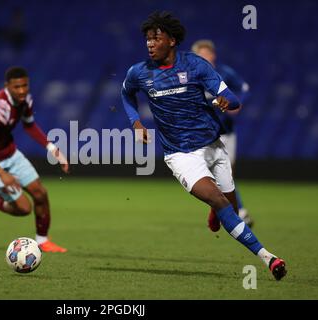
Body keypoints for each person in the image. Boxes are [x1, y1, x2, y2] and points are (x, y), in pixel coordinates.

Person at [121, 11, 286, 280]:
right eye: (147, 39)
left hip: (213, 145)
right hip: (180, 154)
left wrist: (226, 101)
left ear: (172, 40)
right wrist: (136, 123)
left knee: (227, 208)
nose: (150, 44)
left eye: (156, 38)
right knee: (220, 201)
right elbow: (126, 95)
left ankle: (216, 211)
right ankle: (268, 258)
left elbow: (230, 97)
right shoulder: (139, 73)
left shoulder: (195, 65)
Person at [0, 66, 69, 253]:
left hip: (9, 153)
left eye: (25, 86)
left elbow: (29, 125)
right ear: (7, 87)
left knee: (40, 193)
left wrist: (52, 148)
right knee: (23, 208)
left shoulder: (26, 100)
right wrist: (2, 174)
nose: (21, 91)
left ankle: (42, 241)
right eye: (16, 87)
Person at [191, 39, 253, 228]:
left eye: (208, 54)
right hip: (204, 134)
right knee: (212, 174)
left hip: (226, 133)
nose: (205, 57)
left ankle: (229, 210)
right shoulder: (192, 76)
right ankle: (236, 211)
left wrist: (238, 104)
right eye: (201, 55)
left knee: (226, 173)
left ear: (213, 55)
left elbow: (244, 88)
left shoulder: (224, 73)